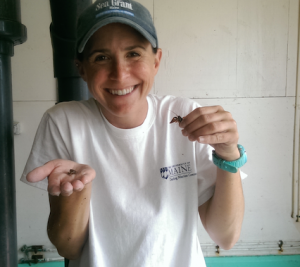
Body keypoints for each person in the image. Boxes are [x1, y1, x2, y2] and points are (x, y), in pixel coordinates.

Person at [21, 1, 246, 266]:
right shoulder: (63, 122)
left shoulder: (185, 116)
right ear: (81, 68)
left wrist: (228, 154)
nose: (120, 73)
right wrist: (76, 190)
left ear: (156, 60)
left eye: (134, 54)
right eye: (101, 57)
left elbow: (226, 236)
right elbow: (68, 247)